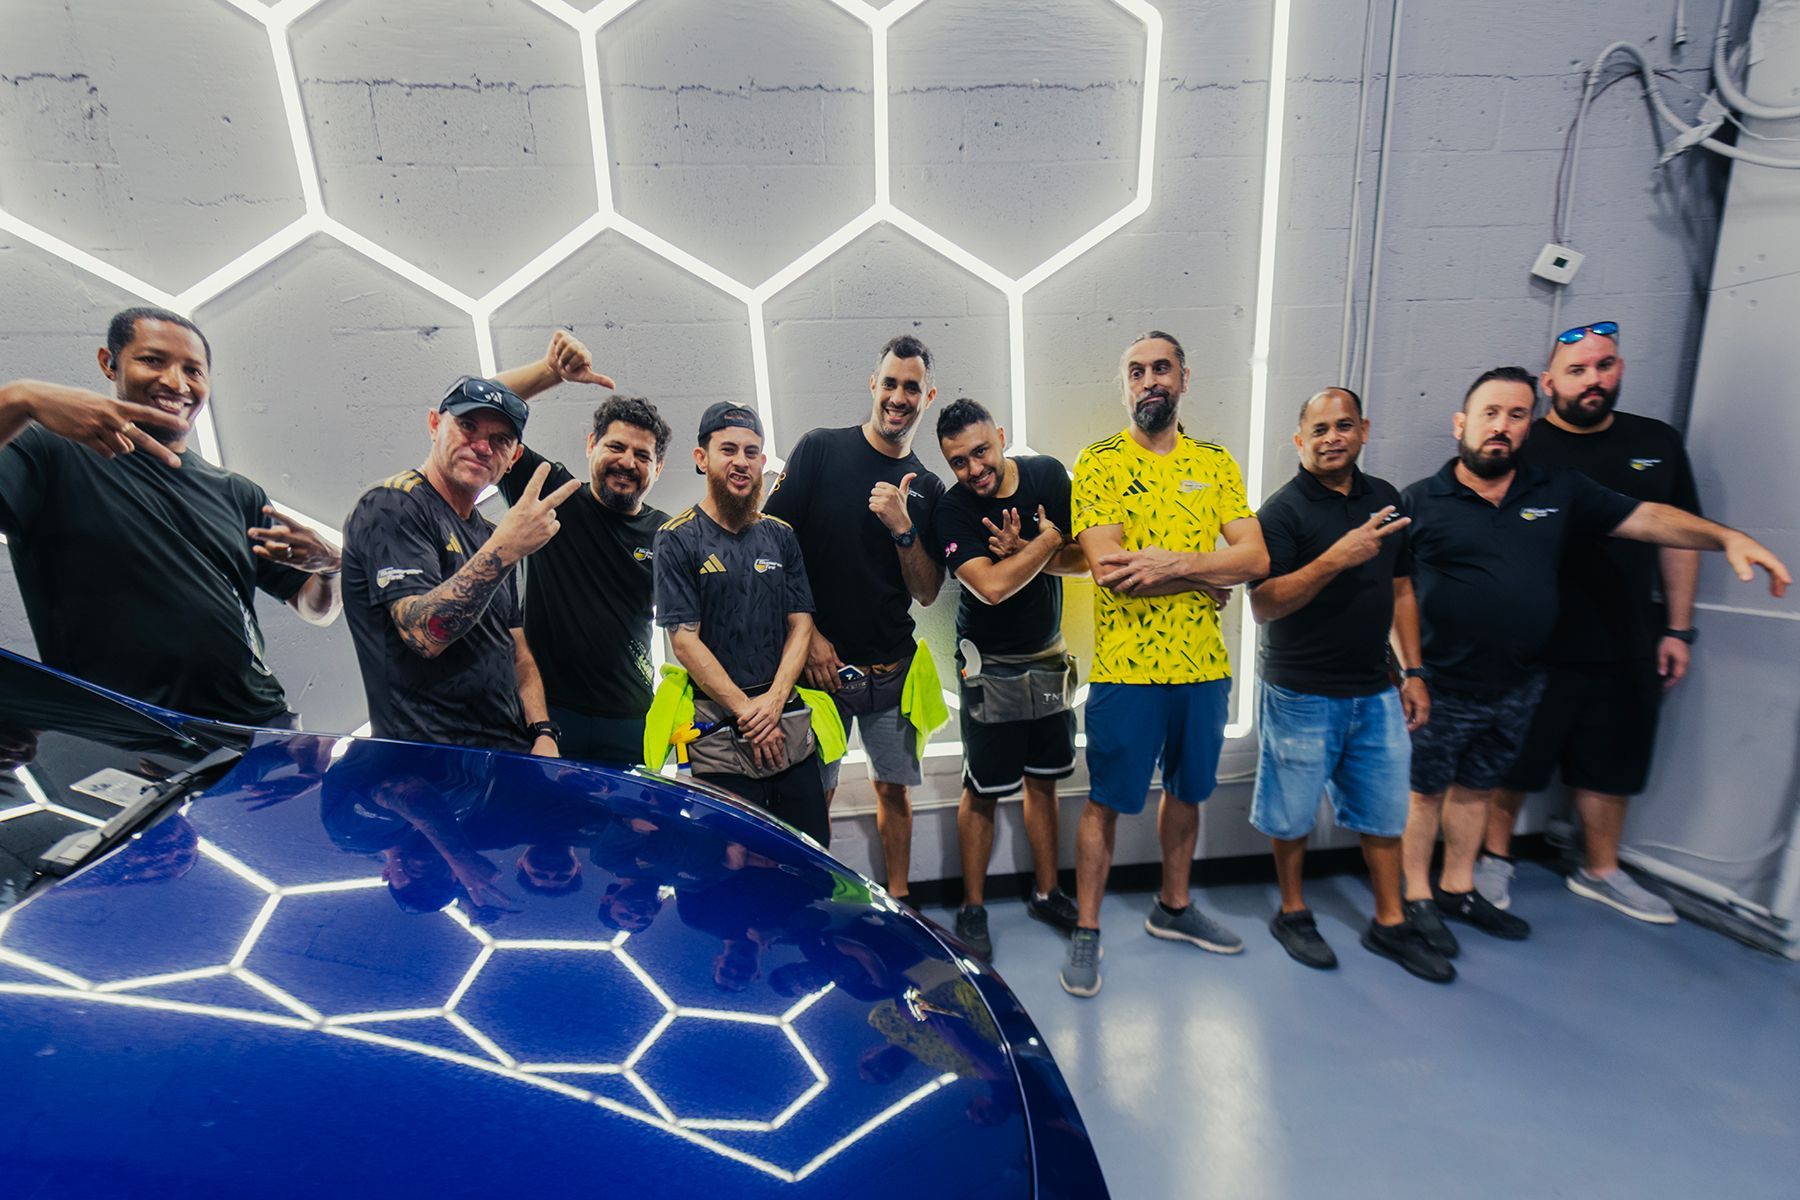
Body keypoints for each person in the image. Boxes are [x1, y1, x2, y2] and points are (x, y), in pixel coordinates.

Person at [1398, 365, 1790, 958]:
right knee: (1425, 794)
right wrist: (1410, 672)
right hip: (1442, 685)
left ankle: (1458, 890)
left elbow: (1650, 517)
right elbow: (1393, 593)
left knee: (1478, 790)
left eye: (1515, 415)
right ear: (1461, 424)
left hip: (1519, 683)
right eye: (1489, 414)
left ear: (1529, 425)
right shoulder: (1421, 501)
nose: (1501, 427)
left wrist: (1726, 538)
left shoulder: (1558, 490)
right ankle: (1417, 900)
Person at [0, 306, 341, 726]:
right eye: (152, 360)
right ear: (110, 364)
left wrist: (329, 568)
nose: (176, 383)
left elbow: (316, 610)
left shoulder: (237, 493)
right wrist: (17, 400)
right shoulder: (46, 452)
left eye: (193, 371)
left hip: (262, 731)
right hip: (128, 740)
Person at [1059, 330, 1270, 998]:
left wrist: (1173, 564)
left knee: (1188, 793)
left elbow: (1257, 559)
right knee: (1106, 803)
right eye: (1136, 370)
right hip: (1127, 670)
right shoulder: (1097, 462)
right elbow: (1110, 571)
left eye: (1161, 368)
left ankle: (1172, 907)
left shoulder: (1216, 462)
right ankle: (1087, 929)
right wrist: (1207, 576)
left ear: (1183, 378)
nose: (1149, 379)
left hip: (1202, 669)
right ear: (1126, 385)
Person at [1483, 323, 1701, 923]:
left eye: (1603, 366)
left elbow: (1679, 541)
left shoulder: (1656, 443)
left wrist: (1678, 628)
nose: (1593, 380)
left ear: (1620, 369)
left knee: (1614, 759)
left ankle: (1601, 868)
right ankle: (1493, 861)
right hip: (1534, 641)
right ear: (1550, 384)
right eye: (1577, 371)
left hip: (1626, 634)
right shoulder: (1523, 448)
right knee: (1512, 758)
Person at [1247, 387, 1452, 982]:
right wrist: (1337, 557)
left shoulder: (1385, 499)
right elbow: (1264, 604)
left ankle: (1390, 922)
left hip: (1375, 689)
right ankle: (1293, 911)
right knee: (1291, 815)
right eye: (1319, 429)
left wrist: (1412, 672)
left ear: (1363, 429)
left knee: (1385, 813)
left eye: (1343, 426)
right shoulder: (1280, 512)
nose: (1332, 437)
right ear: (1299, 440)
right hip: (1300, 692)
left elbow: (1401, 589)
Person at [764, 334, 948, 903]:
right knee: (811, 793)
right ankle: (809, 900)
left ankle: (899, 903)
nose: (898, 396)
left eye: (911, 387)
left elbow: (927, 591)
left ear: (928, 396)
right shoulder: (821, 449)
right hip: (817, 670)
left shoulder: (929, 488)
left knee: (893, 791)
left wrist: (903, 527)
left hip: (892, 671)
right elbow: (771, 551)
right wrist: (810, 634)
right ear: (874, 385)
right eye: (890, 383)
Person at [340, 374, 578, 754]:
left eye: (501, 440)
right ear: (435, 424)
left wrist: (543, 731)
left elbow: (516, 649)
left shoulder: (490, 534)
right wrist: (504, 549)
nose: (483, 446)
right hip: (427, 766)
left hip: (505, 757)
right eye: (468, 426)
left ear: (514, 457)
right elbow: (424, 634)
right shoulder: (392, 505)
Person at [932, 397, 1085, 960]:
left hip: (1048, 657)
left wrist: (1028, 551)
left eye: (980, 451)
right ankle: (973, 908)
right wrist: (1045, 542)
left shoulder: (1047, 475)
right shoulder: (951, 511)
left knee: (1044, 780)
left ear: (1000, 435)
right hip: (987, 669)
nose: (974, 469)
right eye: (958, 461)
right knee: (983, 789)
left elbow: (1087, 560)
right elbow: (990, 587)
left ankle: (1048, 892)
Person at [487, 330, 671, 764]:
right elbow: (481, 406)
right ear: (591, 445)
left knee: (625, 833)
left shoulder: (668, 534)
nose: (627, 461)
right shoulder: (552, 491)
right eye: (616, 446)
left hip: (631, 719)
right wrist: (549, 372)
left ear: (657, 468)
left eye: (642, 456)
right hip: (545, 716)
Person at [653, 402, 828, 843]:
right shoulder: (676, 538)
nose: (741, 461)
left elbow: (802, 624)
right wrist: (749, 713)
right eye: (727, 449)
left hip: (783, 715)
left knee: (810, 852)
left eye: (752, 452)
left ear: (763, 463)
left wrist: (772, 703)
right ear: (702, 458)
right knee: (731, 866)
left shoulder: (780, 535)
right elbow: (684, 641)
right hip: (720, 727)